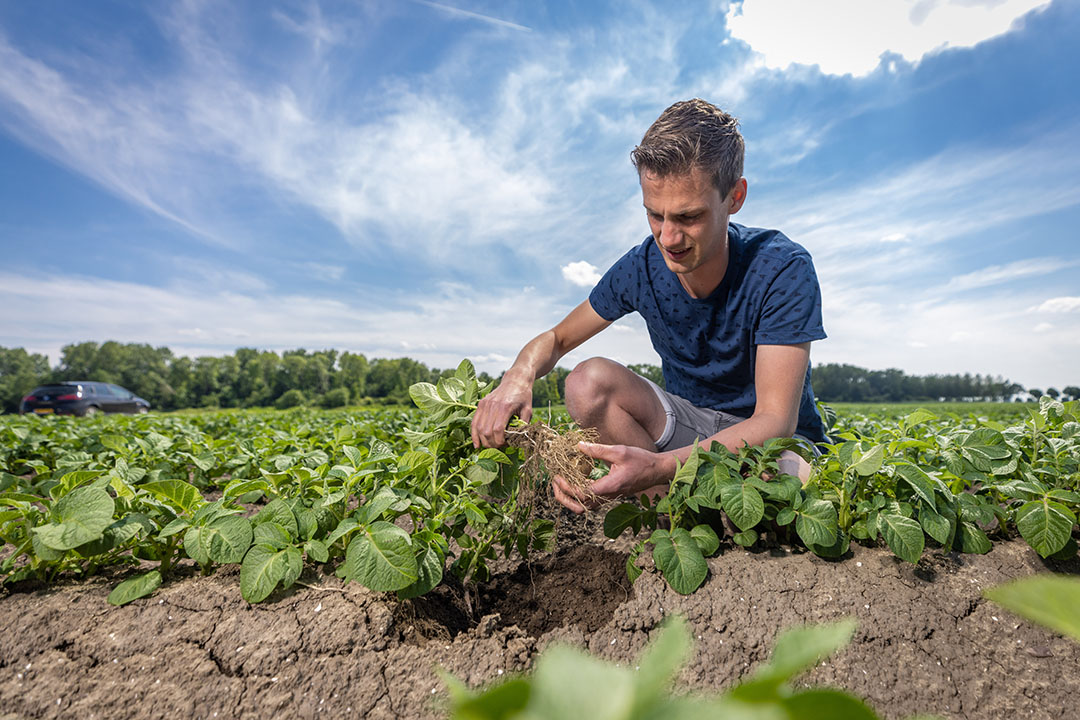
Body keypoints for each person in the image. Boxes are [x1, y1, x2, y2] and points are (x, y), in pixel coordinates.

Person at [470, 98, 828, 513]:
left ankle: (693, 506)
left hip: (771, 444)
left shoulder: (781, 267)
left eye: (688, 216)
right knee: (587, 382)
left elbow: (774, 420)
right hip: (689, 429)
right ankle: (673, 517)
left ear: (735, 196)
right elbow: (556, 338)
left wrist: (658, 466)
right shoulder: (642, 267)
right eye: (655, 215)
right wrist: (519, 375)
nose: (668, 238)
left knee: (785, 483)